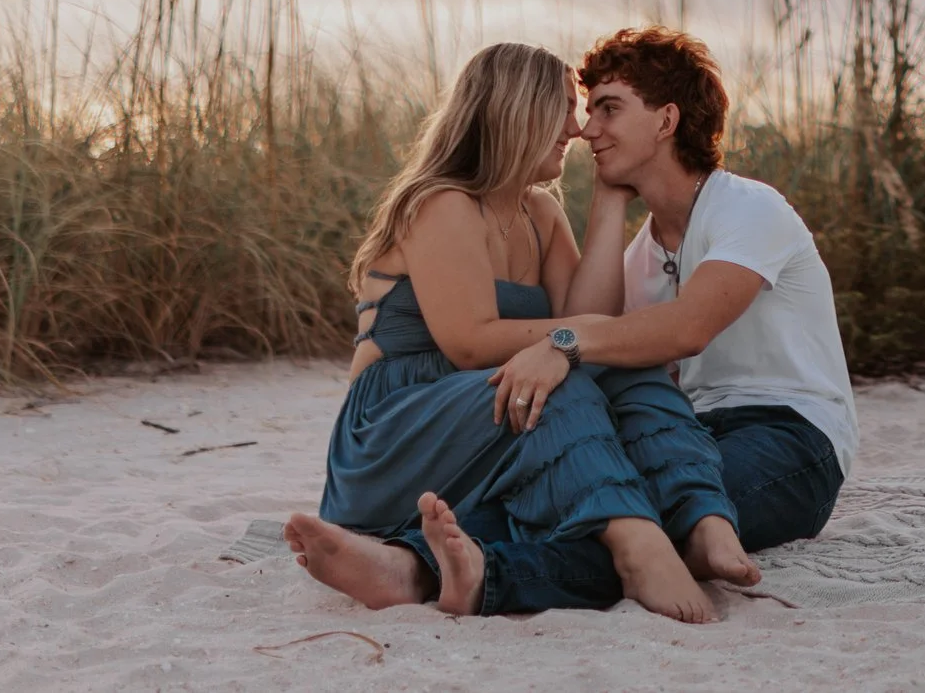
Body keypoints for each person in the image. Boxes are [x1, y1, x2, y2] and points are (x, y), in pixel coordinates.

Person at [279, 41, 757, 622]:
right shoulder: (443, 203)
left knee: (627, 367)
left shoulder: (539, 213)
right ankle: (637, 544)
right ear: (517, 112)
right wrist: (573, 339)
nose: (578, 129)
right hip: (395, 430)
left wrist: (608, 203)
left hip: (490, 419)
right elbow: (470, 342)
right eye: (562, 108)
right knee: (556, 382)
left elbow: (592, 328)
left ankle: (701, 514)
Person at [435, 25, 856, 614]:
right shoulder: (640, 252)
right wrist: (609, 199)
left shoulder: (750, 209)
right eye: (588, 112)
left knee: (641, 514)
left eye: (609, 109)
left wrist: (564, 342)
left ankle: (482, 577)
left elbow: (685, 328)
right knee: (590, 494)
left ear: (666, 121)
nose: (586, 130)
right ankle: (415, 556)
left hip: (791, 438)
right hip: (690, 436)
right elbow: (598, 332)